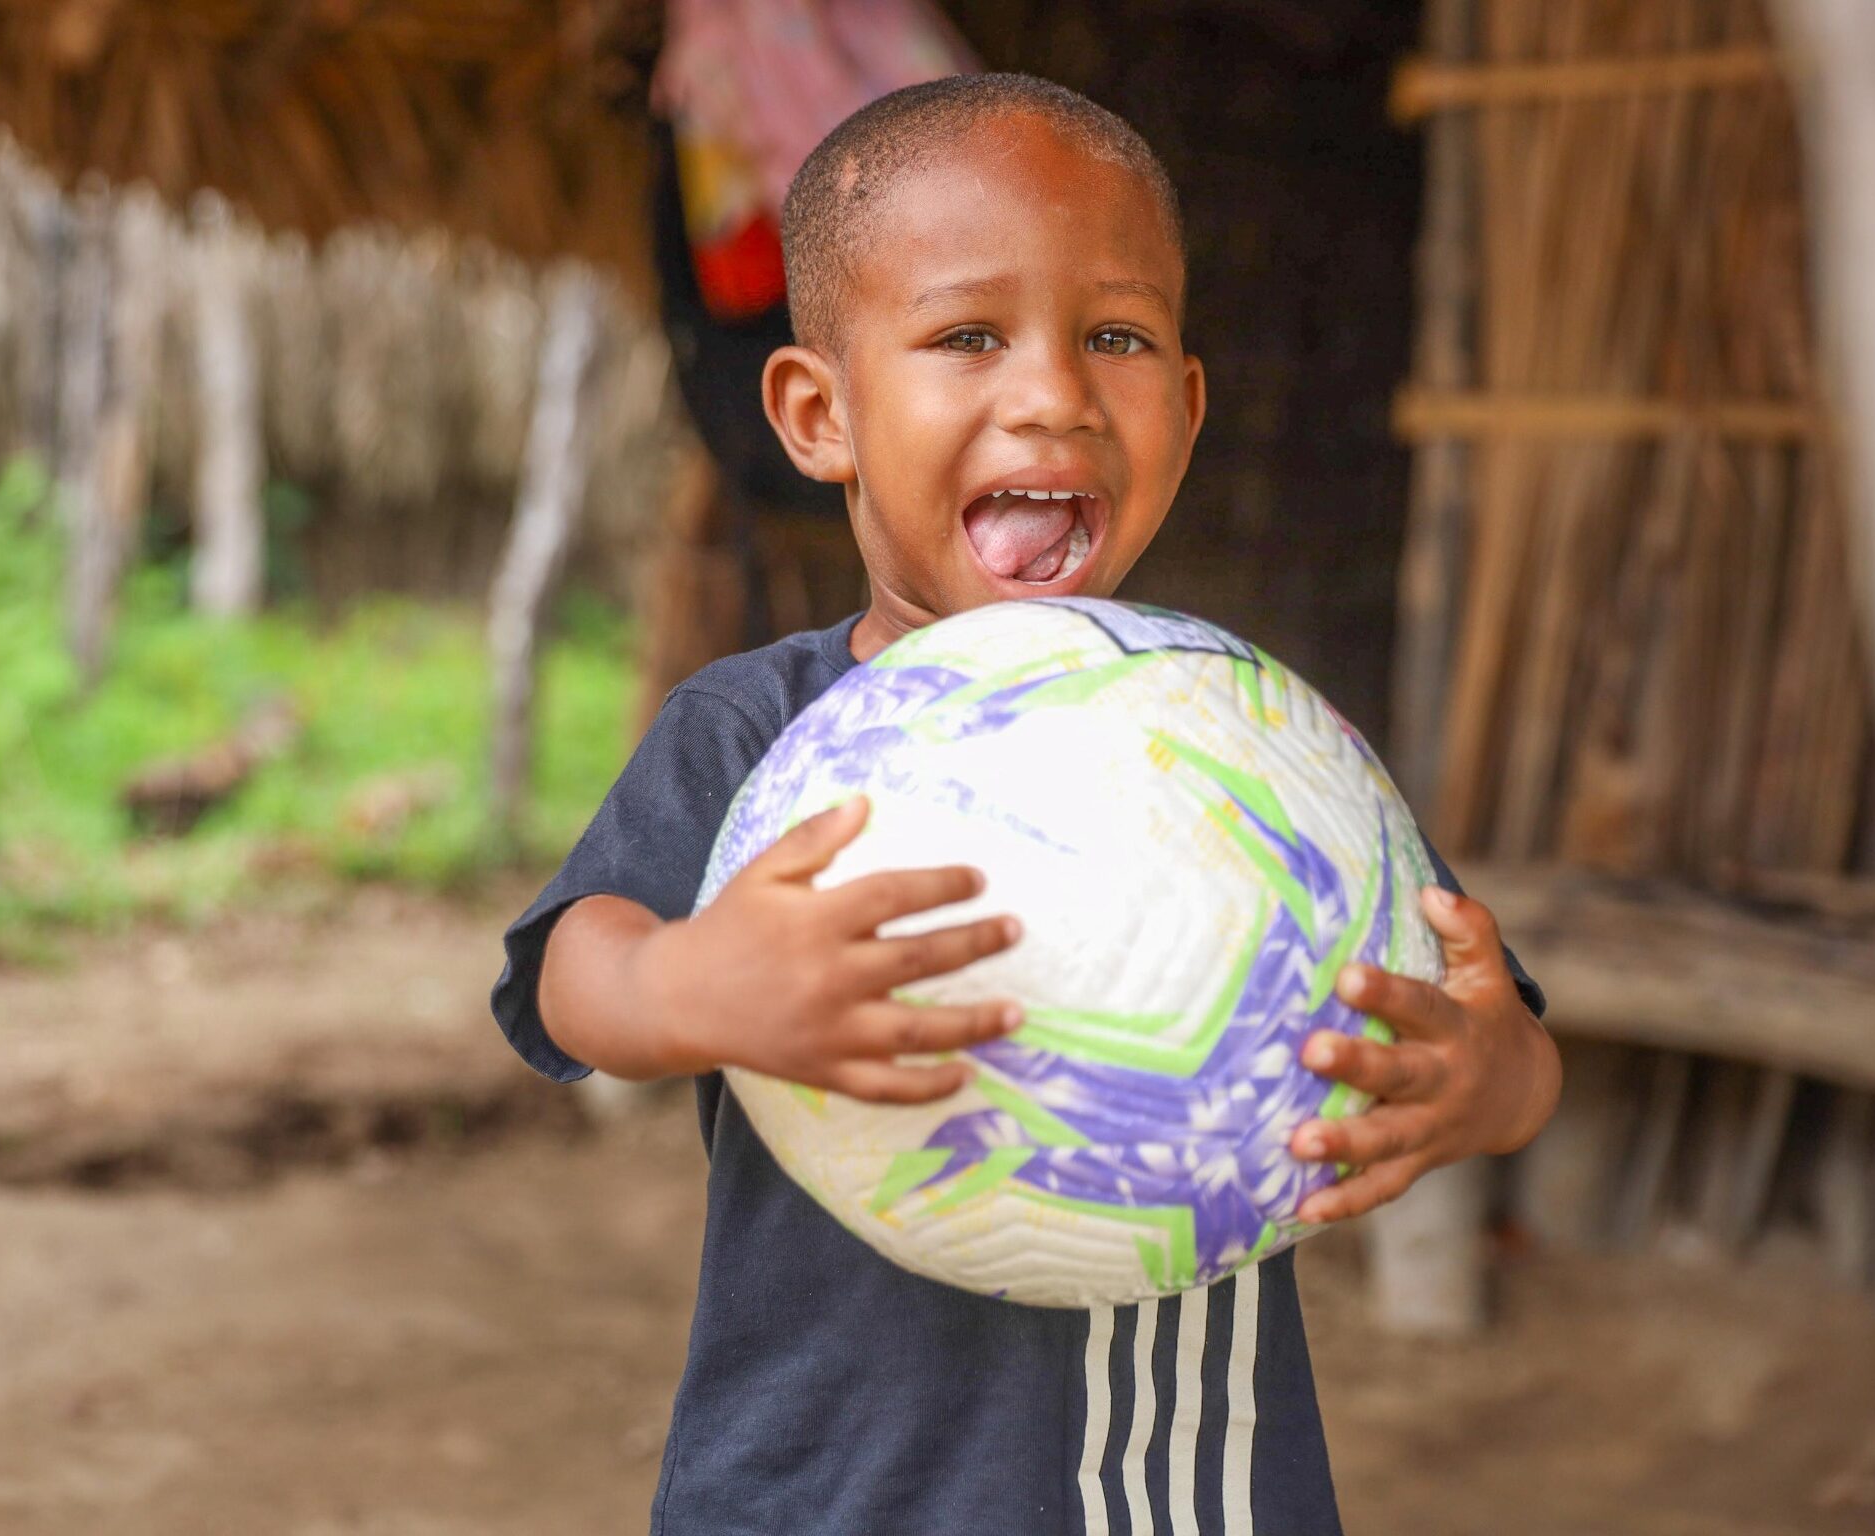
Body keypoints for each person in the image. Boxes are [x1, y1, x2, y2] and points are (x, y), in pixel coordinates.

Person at [490, 73, 1561, 1536]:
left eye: (1116, 337)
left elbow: (1506, 1043)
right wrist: (685, 984)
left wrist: (1486, 1079)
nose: (1055, 393)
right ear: (820, 413)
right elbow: (570, 973)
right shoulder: (758, 730)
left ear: (1188, 407)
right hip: (818, 1500)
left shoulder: (1259, 753)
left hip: (1182, 1501)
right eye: (967, 337)